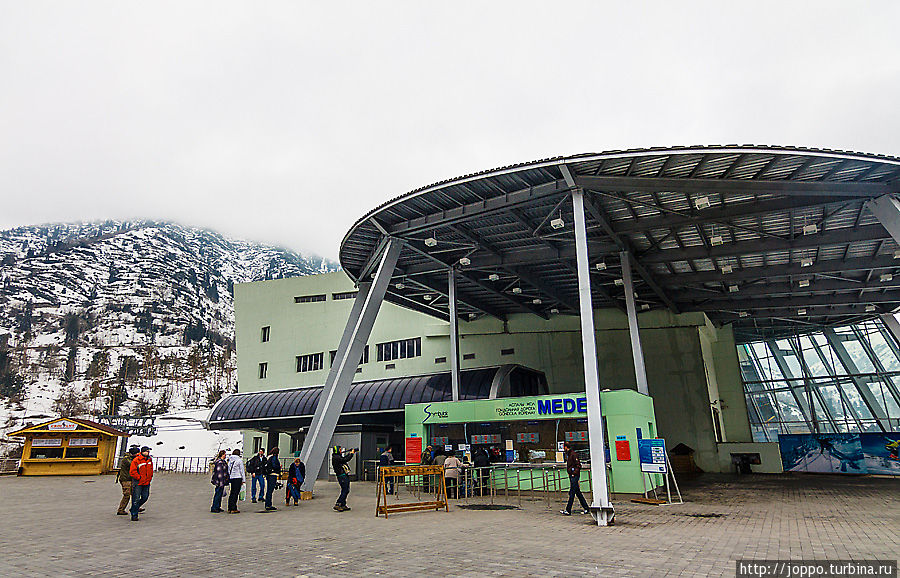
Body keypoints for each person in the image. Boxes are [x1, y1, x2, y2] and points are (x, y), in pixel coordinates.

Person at [560, 443, 590, 516]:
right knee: (577, 492)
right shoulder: (569, 454)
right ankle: (586, 508)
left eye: (564, 447)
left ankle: (568, 509)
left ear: (566, 447)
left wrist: (574, 473)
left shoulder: (573, 454)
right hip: (572, 475)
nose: (563, 448)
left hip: (574, 476)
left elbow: (578, 465)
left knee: (572, 493)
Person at [129, 446, 153, 521]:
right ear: (142, 452)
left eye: (148, 451)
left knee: (145, 497)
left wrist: (150, 477)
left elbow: (151, 469)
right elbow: (132, 471)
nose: (147, 453)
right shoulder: (137, 460)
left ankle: (134, 508)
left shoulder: (149, 460)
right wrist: (139, 477)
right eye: (146, 451)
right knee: (136, 498)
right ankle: (134, 514)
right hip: (138, 482)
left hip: (146, 482)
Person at [116, 445, 140, 515]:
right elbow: (132, 465)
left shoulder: (132, 458)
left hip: (131, 478)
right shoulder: (126, 459)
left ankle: (135, 507)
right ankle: (121, 509)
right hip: (125, 479)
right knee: (127, 494)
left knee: (134, 493)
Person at [331, 445, 356, 512]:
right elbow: (345, 459)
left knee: (346, 490)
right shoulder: (336, 457)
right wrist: (351, 454)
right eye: (339, 449)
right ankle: (338, 504)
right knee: (345, 489)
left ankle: (343, 504)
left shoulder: (337, 456)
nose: (340, 450)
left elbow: (344, 459)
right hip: (341, 475)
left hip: (343, 474)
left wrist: (349, 453)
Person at [227, 449, 246, 514]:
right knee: (236, 493)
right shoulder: (239, 460)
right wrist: (243, 480)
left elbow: (228, 469)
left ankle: (229, 507)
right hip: (238, 477)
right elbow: (242, 470)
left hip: (232, 477)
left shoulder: (230, 460)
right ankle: (233, 508)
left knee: (232, 492)